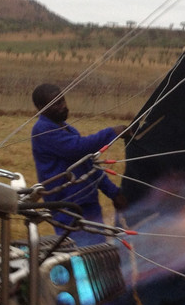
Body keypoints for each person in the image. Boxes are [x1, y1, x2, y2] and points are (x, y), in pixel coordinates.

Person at [30, 82, 127, 245]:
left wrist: (113, 193)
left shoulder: (67, 129)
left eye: (62, 101)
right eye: (56, 104)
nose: (63, 106)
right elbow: (77, 148)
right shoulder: (42, 130)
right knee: (82, 256)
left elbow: (87, 165)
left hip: (88, 203)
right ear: (41, 107)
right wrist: (112, 132)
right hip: (67, 208)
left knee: (98, 252)